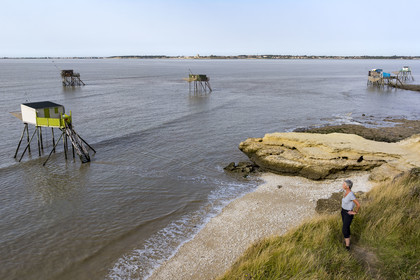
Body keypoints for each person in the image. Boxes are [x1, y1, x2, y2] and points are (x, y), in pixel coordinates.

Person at [341, 179, 360, 251]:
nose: (342, 185)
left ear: (348, 186)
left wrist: (355, 212)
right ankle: (347, 240)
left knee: (344, 229)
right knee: (346, 227)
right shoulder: (345, 192)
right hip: (343, 212)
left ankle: (347, 246)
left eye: (344, 184)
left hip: (348, 213)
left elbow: (358, 205)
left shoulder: (351, 194)